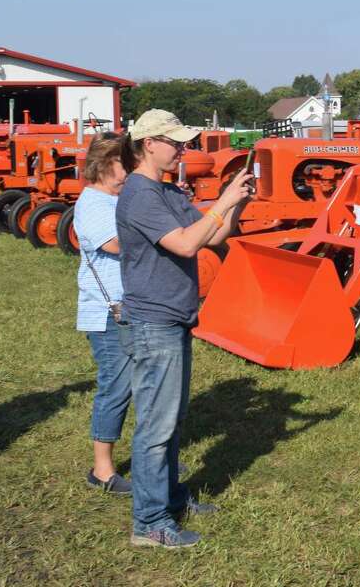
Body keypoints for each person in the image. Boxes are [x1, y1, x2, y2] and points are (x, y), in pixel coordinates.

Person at [115, 109, 252, 549]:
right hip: (153, 322)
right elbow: (185, 243)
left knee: (170, 421)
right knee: (155, 427)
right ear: (148, 144)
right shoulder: (140, 195)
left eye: (183, 142)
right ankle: (150, 523)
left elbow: (212, 237)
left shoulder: (168, 191)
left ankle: (170, 498)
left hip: (173, 318)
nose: (182, 149)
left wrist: (238, 203)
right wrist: (225, 201)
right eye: (175, 142)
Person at [74, 134, 131, 495]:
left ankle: (150, 456)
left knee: (143, 385)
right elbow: (115, 244)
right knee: (116, 386)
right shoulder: (93, 203)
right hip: (109, 313)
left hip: (129, 307)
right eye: (125, 164)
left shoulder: (116, 200)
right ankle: (102, 469)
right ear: (104, 166)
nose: (130, 172)